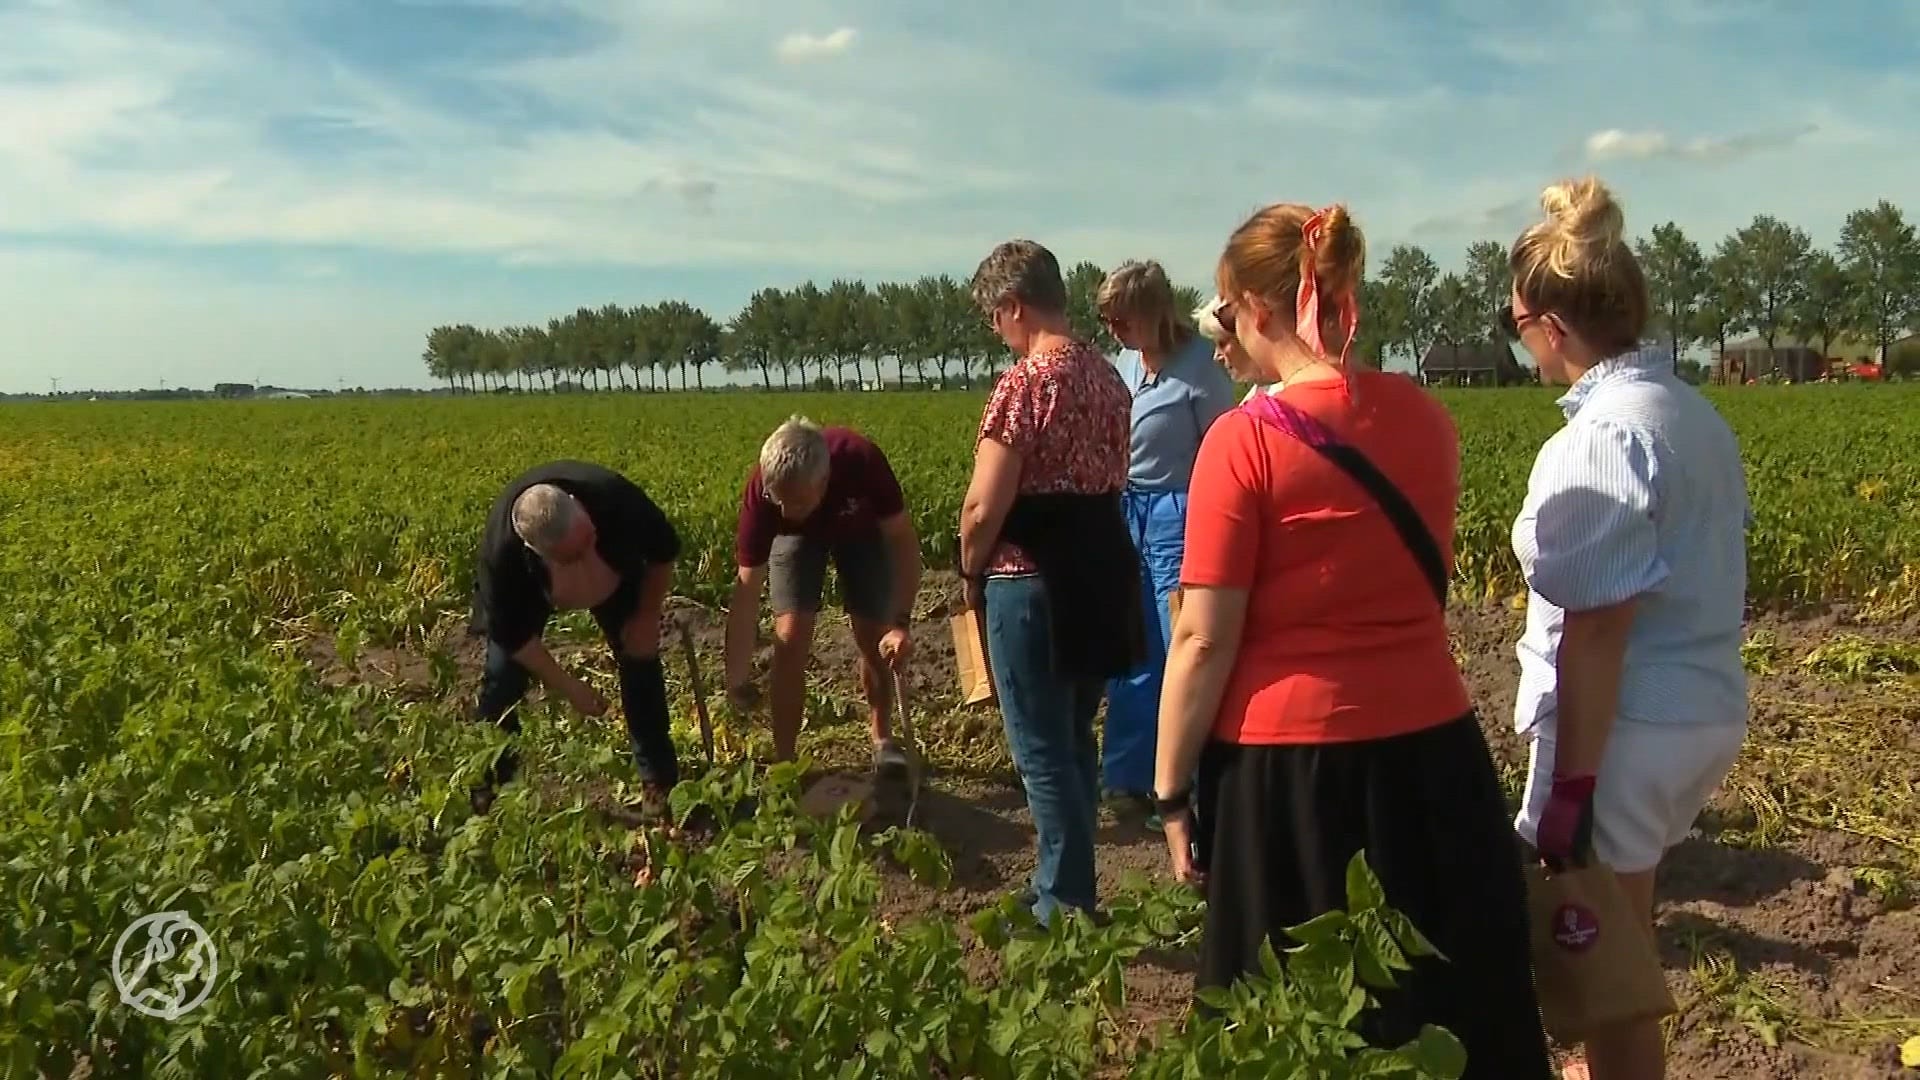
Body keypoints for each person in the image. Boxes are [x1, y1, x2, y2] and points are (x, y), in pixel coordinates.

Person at [1152, 202, 1554, 1077]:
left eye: (1225, 312)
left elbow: (1203, 640)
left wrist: (1171, 792)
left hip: (1286, 775)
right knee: (1442, 1013)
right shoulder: (1426, 420)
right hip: (1433, 756)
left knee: (1287, 1023)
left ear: (1259, 309)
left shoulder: (1241, 441)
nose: (1225, 334)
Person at [1504, 176, 1750, 1080]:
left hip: (1629, 724)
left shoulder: (1601, 438)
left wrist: (1571, 788)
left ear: (1551, 326)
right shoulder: (1693, 415)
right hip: (1701, 707)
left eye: (1515, 324)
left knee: (1598, 944)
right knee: (1626, 921)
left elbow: (1598, 630)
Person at [959, 238, 1145, 926]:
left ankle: (1064, 902)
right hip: (1101, 569)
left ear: (1013, 306)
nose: (997, 333)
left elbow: (984, 504)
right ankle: (1063, 886)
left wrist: (970, 568)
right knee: (1073, 738)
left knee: (1040, 750)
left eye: (995, 318)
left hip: (1030, 578)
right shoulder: (1110, 380)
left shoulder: (1024, 385)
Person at [1097, 261, 1236, 827]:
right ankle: (1128, 775)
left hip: (1179, 514)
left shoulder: (1201, 368)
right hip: (1125, 510)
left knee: (1182, 644)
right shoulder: (1124, 364)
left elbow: (1222, 450)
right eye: (1106, 321)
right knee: (1132, 649)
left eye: (1121, 319)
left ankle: (1186, 783)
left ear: (1151, 313)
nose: (1113, 331)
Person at [467, 461, 681, 816]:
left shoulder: (615, 499)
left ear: (577, 505)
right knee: (502, 679)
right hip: (532, 590)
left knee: (639, 653)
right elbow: (513, 636)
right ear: (537, 551)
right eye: (574, 555)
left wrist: (646, 616)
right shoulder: (502, 556)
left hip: (619, 567)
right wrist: (570, 687)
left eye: (588, 540)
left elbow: (664, 552)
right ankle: (493, 790)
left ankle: (659, 780)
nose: (587, 558)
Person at [723, 416, 922, 772]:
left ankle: (882, 738)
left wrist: (901, 622)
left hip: (860, 529)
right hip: (795, 539)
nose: (784, 510)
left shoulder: (860, 461)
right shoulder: (766, 495)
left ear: (824, 482)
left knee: (873, 633)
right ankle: (785, 761)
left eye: (795, 502)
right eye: (777, 499)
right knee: (789, 637)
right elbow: (746, 590)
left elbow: (903, 542)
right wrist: (736, 677)